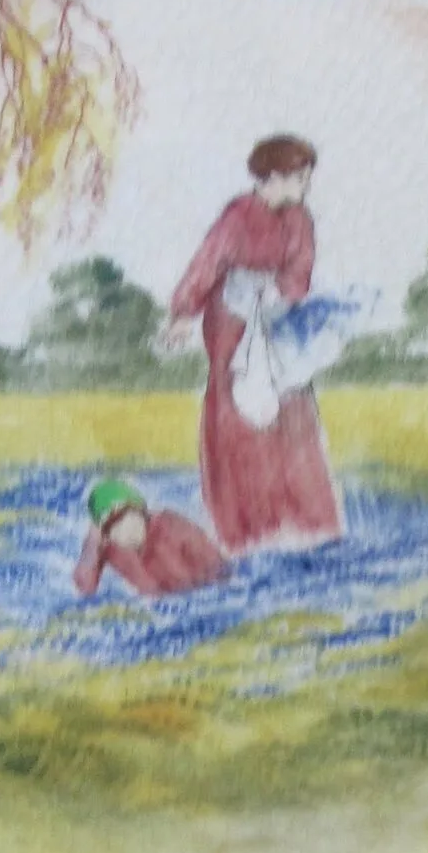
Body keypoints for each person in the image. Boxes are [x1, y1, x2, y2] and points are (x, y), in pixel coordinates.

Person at [167, 134, 345, 553]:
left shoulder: (300, 220)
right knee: (238, 415)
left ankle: (308, 524)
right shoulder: (238, 217)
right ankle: (243, 530)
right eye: (299, 178)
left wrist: (279, 293)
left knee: (291, 411)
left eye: (306, 178)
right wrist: (183, 312)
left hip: (278, 324)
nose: (305, 186)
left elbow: (300, 273)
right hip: (233, 327)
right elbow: (208, 264)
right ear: (273, 177)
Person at [71, 477, 228, 599]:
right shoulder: (110, 547)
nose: (120, 530)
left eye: (120, 517)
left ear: (139, 509)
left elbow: (220, 571)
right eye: (108, 527)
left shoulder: (172, 528)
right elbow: (84, 588)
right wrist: (92, 543)